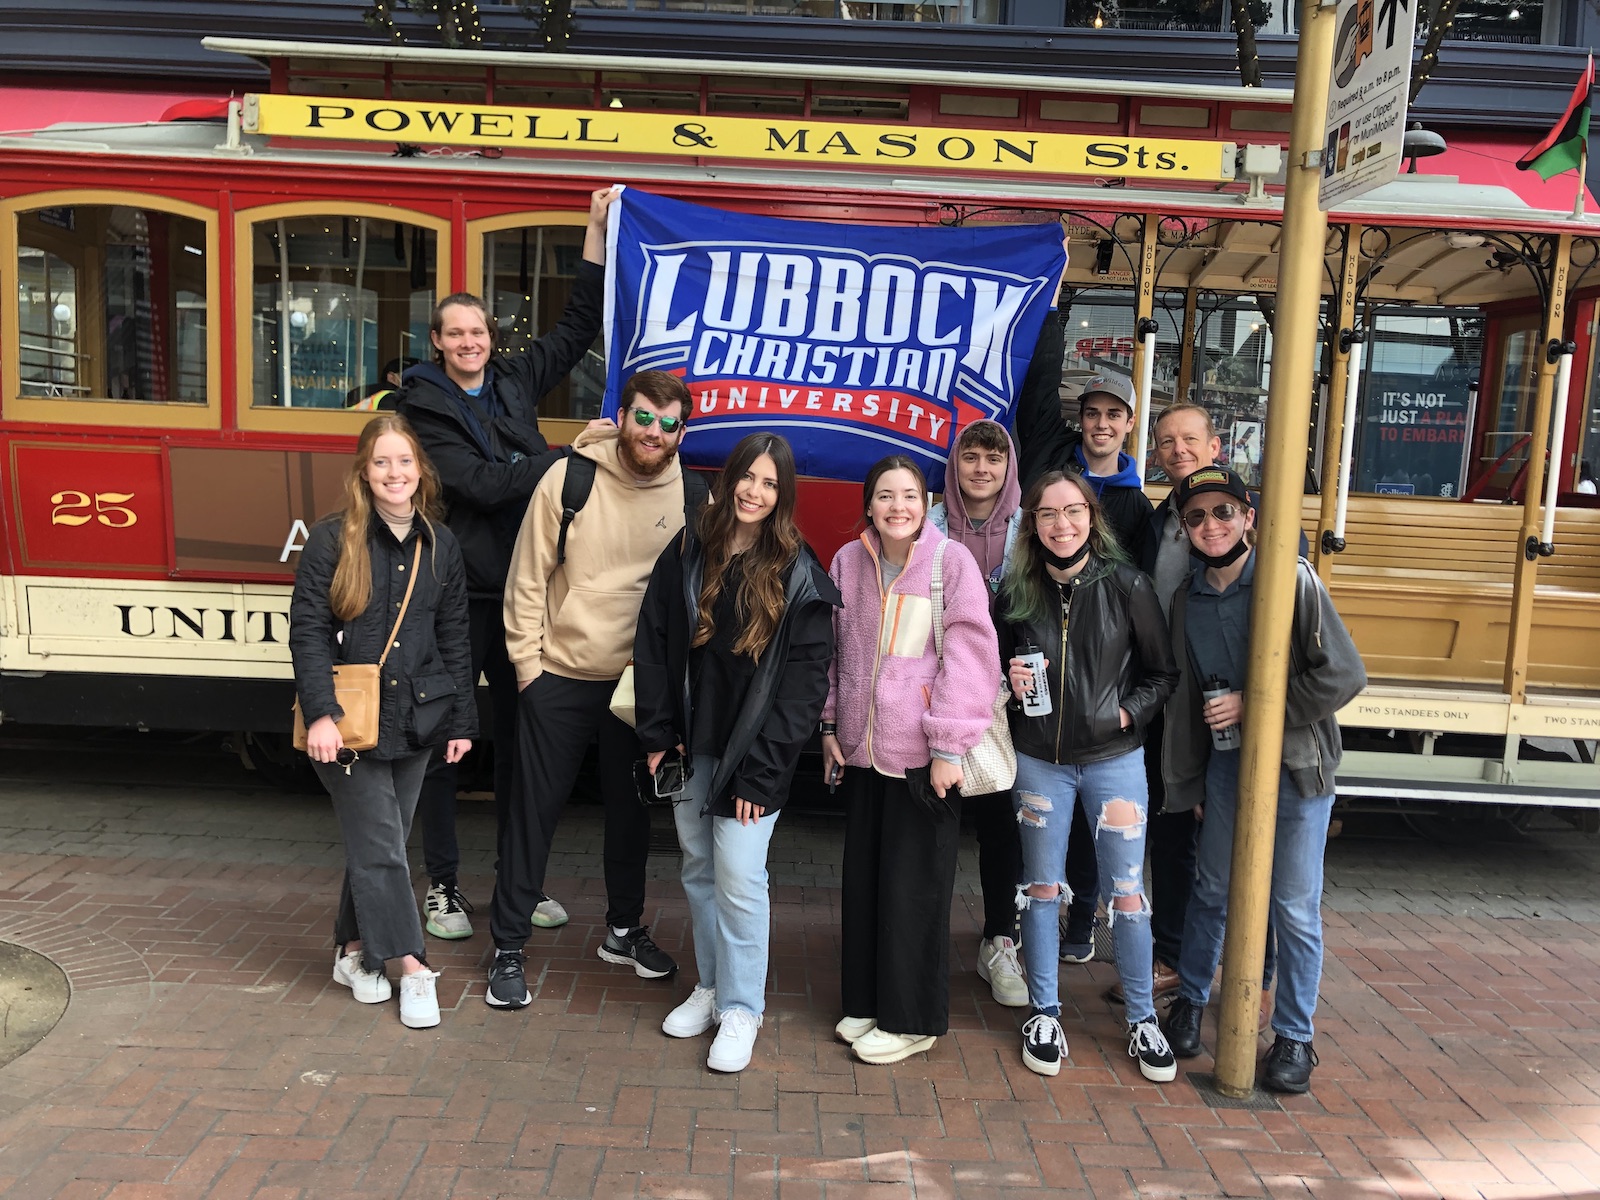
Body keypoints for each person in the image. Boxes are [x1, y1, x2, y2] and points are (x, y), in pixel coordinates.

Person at [398, 186, 620, 942]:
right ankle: (446, 890)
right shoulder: (421, 406)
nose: (470, 342)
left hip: (528, 595)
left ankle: (520, 886)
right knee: (446, 742)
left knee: (531, 743)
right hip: (458, 598)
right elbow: (483, 485)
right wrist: (560, 456)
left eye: (478, 331)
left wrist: (594, 230)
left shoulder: (515, 379)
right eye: (455, 334)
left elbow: (578, 325)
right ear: (437, 341)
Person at [486, 369, 705, 1008]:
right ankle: (507, 946)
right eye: (643, 416)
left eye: (668, 423)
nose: (653, 432)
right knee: (533, 814)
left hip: (641, 685)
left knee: (631, 817)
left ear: (681, 431)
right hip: (560, 673)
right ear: (622, 415)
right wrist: (529, 671)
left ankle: (623, 930)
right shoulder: (569, 478)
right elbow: (527, 580)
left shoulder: (694, 495)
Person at [635, 434, 840, 1073]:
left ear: (783, 496)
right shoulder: (691, 549)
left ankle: (744, 1007)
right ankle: (713, 987)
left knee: (741, 877)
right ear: (727, 482)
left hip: (755, 759)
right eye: (746, 478)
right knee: (698, 868)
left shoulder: (800, 572)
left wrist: (765, 770)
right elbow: (654, 640)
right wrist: (656, 732)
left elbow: (806, 687)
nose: (755, 491)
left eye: (770, 483)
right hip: (690, 745)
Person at [1159, 465, 1367, 1094]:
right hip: (1226, 768)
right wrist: (1192, 781)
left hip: (1297, 767)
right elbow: (1188, 696)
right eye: (1196, 517)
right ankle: (1190, 1006)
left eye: (1224, 512)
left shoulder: (1290, 581)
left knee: (1294, 907)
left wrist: (1256, 704)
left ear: (1249, 517)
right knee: (1212, 889)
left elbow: (1344, 675)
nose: (1211, 526)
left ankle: (1296, 1039)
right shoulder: (1185, 601)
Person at [289, 414, 476, 1030]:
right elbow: (309, 634)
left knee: (382, 845)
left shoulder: (440, 544)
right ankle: (411, 965)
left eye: (404, 461)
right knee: (381, 847)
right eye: (381, 463)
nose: (394, 473)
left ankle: (352, 951)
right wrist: (321, 713)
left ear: (419, 469)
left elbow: (453, 636)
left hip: (417, 722)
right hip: (346, 726)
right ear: (363, 472)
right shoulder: (330, 540)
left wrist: (461, 720)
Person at [993, 469, 1179, 1080]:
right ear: (1033, 524)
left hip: (1114, 761)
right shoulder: (1016, 592)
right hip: (1040, 762)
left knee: (1127, 892)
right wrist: (1008, 687)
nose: (1061, 524)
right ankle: (1044, 1011)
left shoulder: (1129, 585)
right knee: (1042, 888)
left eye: (1072, 511)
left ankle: (1144, 1019)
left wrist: (1126, 713)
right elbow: (987, 669)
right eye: (1048, 514)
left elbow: (1162, 673)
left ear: (1091, 518)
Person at [822, 455, 999, 1066]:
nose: (899, 506)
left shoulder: (952, 563)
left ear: (926, 505)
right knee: (868, 884)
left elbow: (972, 657)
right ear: (868, 505)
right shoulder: (848, 563)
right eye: (885, 496)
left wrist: (950, 745)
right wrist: (829, 727)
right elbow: (833, 653)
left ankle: (913, 1019)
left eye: (910, 495)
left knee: (915, 892)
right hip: (864, 754)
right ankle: (870, 1002)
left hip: (925, 759)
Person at [928, 420, 1027, 1010]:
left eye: (994, 458)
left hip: (1006, 699)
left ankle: (1000, 939)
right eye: (971, 457)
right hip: (937, 693)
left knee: (999, 819)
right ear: (955, 464)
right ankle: (921, 941)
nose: (982, 468)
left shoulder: (1028, 528)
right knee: (934, 815)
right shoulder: (930, 522)